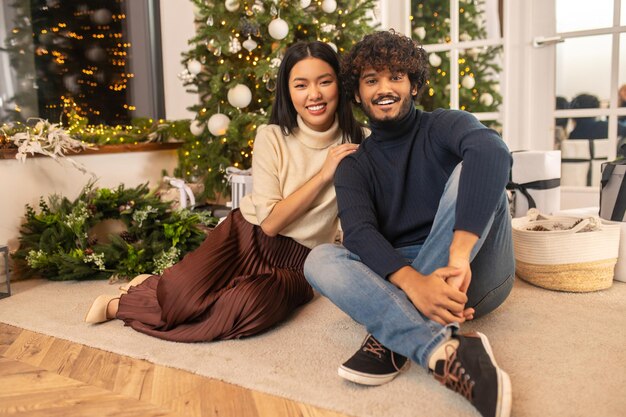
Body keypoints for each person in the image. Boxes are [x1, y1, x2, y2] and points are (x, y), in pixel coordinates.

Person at [84, 40, 364, 343]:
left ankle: (129, 300)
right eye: (301, 85)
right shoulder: (271, 137)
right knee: (181, 299)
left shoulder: (362, 141)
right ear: (288, 91)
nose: (314, 95)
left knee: (242, 309)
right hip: (247, 237)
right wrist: (324, 174)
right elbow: (270, 223)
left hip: (299, 263)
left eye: (325, 82)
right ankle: (149, 291)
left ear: (340, 84)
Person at [303, 30, 514, 417]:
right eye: (371, 80)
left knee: (478, 168)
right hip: (404, 278)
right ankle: (442, 348)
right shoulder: (353, 164)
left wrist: (459, 254)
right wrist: (415, 286)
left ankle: (389, 333)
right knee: (319, 259)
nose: (384, 88)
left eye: (395, 76)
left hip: (469, 273)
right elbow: (361, 234)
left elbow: (492, 150)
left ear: (414, 85)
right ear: (356, 94)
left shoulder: (444, 125)